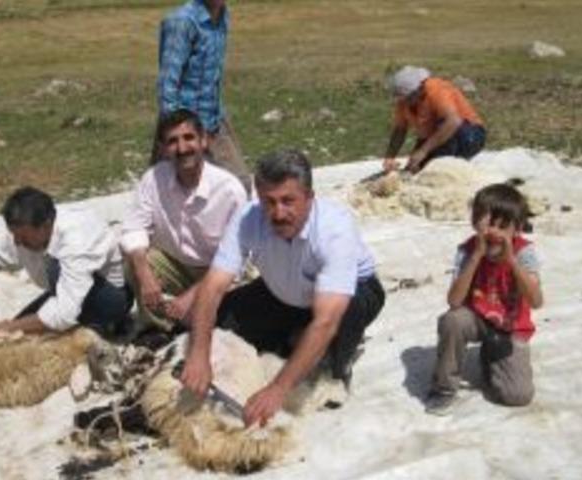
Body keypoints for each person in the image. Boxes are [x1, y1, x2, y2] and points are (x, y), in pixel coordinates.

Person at [180, 149, 386, 427]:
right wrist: (199, 354)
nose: (278, 213)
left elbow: (325, 321)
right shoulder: (248, 218)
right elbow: (213, 286)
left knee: (329, 341)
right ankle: (292, 338)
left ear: (310, 198)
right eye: (269, 202)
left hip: (348, 296)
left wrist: (276, 390)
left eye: (289, 201)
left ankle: (339, 357)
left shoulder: (334, 229)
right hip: (281, 291)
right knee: (217, 325)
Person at [121, 109, 248, 334]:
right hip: (176, 264)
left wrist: (193, 295)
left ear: (204, 141)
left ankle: (186, 317)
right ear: (162, 148)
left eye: (189, 138)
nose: (182, 148)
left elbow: (233, 259)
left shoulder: (229, 190)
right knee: (134, 257)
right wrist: (144, 274)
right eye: (172, 141)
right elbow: (133, 228)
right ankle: (159, 328)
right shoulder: (154, 178)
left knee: (221, 320)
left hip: (217, 271)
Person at [425, 183, 543, 415]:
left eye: (503, 226)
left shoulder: (523, 252)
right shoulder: (467, 250)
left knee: (518, 395)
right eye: (488, 223)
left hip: (510, 327)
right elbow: (454, 301)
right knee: (453, 320)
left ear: (517, 230)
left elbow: (536, 300)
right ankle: (444, 387)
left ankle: (491, 359)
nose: (494, 232)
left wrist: (511, 262)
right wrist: (477, 256)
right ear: (474, 221)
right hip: (476, 318)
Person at [0, 186, 133, 339]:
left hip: (109, 299)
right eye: (15, 236)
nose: (18, 242)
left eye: (23, 237)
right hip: (64, 292)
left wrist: (6, 328)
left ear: (46, 224)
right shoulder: (25, 229)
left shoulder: (77, 238)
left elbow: (65, 312)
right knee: (15, 335)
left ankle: (104, 326)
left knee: (54, 270)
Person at [154, 0, 251, 192]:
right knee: (171, 193)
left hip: (213, 120)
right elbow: (167, 85)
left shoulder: (222, 14)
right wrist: (177, 134)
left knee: (240, 186)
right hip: (184, 125)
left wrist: (219, 117)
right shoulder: (182, 22)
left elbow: (211, 77)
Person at [382, 65, 486, 174]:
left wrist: (423, 151)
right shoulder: (404, 101)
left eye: (410, 97)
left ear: (420, 89)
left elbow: (453, 121)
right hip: (436, 136)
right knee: (415, 167)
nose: (406, 102)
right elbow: (400, 130)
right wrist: (390, 157)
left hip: (468, 134)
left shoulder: (437, 89)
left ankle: (446, 165)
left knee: (435, 165)